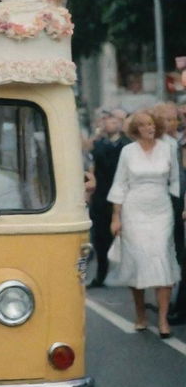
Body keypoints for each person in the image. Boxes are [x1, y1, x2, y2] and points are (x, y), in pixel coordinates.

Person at [107, 111, 181, 338]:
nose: (148, 128)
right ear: (136, 130)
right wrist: (116, 217)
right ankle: (140, 314)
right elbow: (120, 184)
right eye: (143, 125)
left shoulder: (168, 148)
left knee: (161, 257)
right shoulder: (127, 152)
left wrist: (178, 204)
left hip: (161, 211)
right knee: (138, 260)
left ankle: (162, 320)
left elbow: (176, 180)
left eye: (151, 124)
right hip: (134, 210)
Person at [87, 110, 129, 288]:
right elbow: (92, 165)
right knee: (100, 238)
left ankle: (129, 274)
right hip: (101, 196)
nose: (111, 124)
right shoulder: (99, 144)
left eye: (115, 121)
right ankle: (101, 274)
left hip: (123, 195)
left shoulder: (127, 145)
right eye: (108, 121)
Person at [154, 102, 186, 325]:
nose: (170, 123)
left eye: (172, 119)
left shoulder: (180, 142)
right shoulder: (157, 145)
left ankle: (177, 305)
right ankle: (171, 303)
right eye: (164, 119)